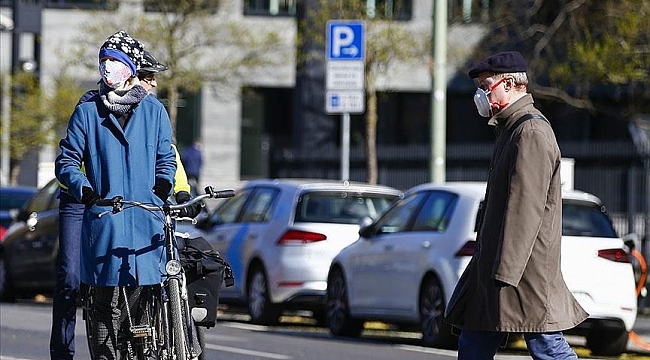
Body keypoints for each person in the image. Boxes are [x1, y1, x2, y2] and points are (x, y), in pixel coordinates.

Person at [49, 47, 200, 360]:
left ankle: (139, 347)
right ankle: (63, 352)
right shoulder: (89, 109)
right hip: (94, 204)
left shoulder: (154, 111)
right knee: (71, 279)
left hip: (140, 211)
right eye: (149, 76)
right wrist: (86, 190)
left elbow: (167, 157)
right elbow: (68, 161)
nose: (152, 83)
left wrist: (174, 190)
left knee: (141, 285)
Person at [444, 51, 588, 360]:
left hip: (520, 271)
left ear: (509, 84)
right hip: (498, 268)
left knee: (546, 344)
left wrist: (504, 272)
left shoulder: (530, 132)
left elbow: (525, 208)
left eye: (486, 87)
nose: (480, 96)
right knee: (475, 341)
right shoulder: (511, 129)